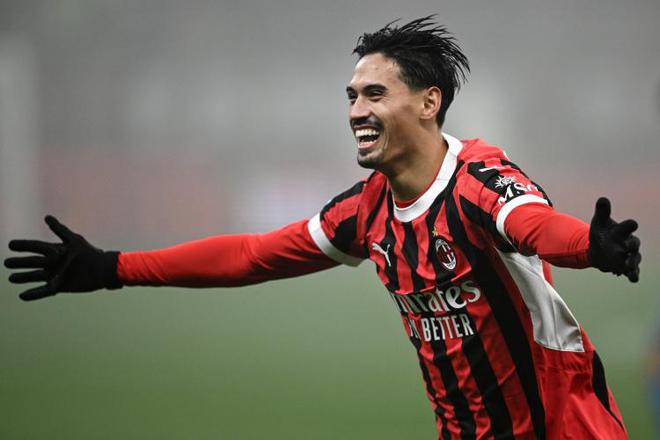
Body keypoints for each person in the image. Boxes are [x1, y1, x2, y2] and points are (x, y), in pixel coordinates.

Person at [4, 16, 641, 439]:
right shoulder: (366, 210)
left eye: (374, 94)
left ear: (429, 102)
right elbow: (251, 255)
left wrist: (591, 246)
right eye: (351, 96)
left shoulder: (478, 180)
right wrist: (114, 268)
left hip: (564, 429)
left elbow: (532, 225)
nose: (356, 111)